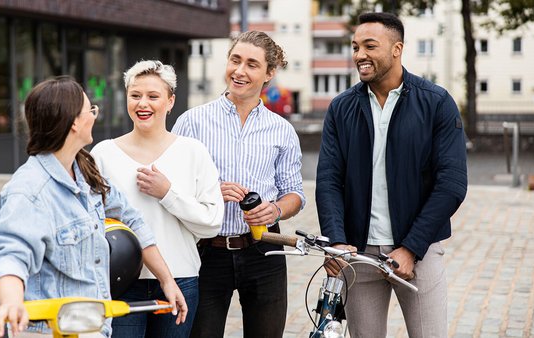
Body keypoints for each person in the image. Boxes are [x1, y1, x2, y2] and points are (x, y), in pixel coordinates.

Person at [0, 77, 187, 338]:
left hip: (93, 328)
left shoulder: (86, 173)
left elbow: (132, 220)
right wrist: (11, 302)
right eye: (91, 110)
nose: (94, 116)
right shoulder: (29, 190)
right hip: (48, 331)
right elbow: (10, 254)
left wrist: (167, 280)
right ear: (75, 122)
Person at [316, 12, 468, 337]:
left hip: (420, 252)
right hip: (358, 254)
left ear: (397, 49)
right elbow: (329, 180)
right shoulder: (341, 108)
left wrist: (412, 247)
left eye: (370, 46)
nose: (359, 55)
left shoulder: (436, 103)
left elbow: (451, 185)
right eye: (355, 46)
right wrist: (337, 242)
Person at [172, 30, 305, 337]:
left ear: (269, 73)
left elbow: (295, 194)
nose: (239, 71)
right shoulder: (192, 122)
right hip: (206, 251)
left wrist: (274, 211)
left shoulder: (281, 131)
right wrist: (209, 193)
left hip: (265, 251)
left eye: (252, 64)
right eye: (235, 60)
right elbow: (171, 188)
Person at [90, 60, 224, 337]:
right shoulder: (103, 154)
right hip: (121, 281)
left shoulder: (193, 152)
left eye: (153, 96)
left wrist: (168, 194)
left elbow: (211, 224)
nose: (143, 104)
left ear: (170, 101)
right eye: (135, 95)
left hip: (180, 277)